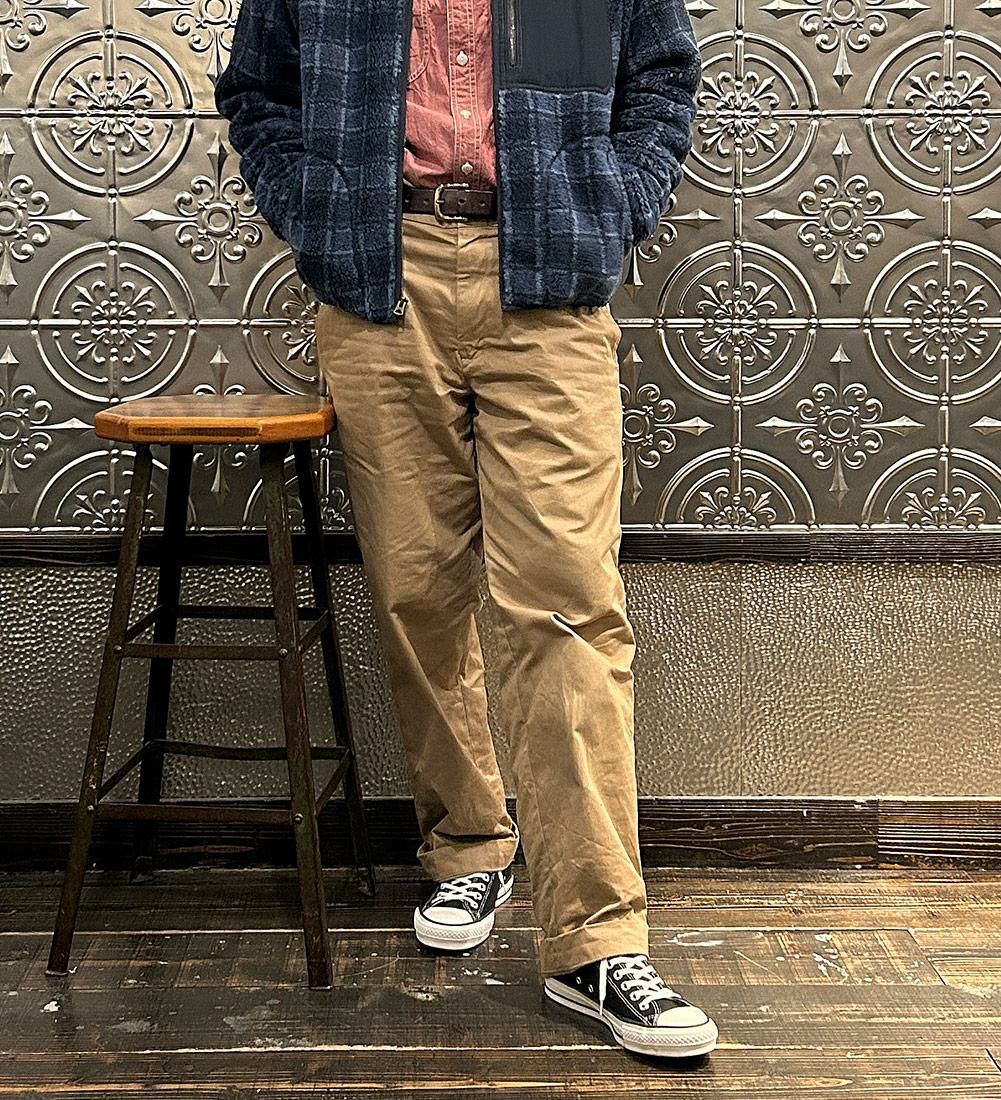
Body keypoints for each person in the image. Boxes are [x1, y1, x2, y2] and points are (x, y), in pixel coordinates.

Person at [215, 0, 716, 1059]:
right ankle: (470, 843)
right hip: (379, 279)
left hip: (548, 278)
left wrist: (610, 203)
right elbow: (258, 90)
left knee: (568, 607)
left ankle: (595, 938)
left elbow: (663, 78)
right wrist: (318, 213)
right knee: (416, 591)